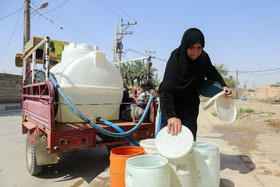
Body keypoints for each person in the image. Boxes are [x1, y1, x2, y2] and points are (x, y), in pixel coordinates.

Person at [159, 28, 232, 140]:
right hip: (172, 104)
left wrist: (224, 85)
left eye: (199, 48)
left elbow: (211, 72)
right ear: (185, 45)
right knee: (171, 138)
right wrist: (171, 116)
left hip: (190, 104)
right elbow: (166, 91)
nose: (196, 52)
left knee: (189, 137)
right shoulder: (176, 59)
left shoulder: (203, 57)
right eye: (192, 47)